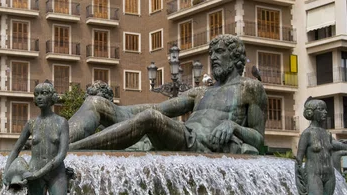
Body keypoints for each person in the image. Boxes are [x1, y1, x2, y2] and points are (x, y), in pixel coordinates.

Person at [67, 34, 267, 155]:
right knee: (97, 102)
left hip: (199, 146)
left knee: (151, 119)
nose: (213, 57)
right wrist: (113, 109)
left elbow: (258, 139)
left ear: (234, 57)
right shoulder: (201, 92)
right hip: (182, 137)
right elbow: (158, 108)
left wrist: (234, 127)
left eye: (219, 52)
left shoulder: (249, 88)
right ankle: (58, 141)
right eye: (211, 53)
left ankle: (72, 150)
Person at [3, 81, 71, 195]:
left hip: (55, 172)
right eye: (36, 94)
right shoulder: (31, 124)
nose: (39, 97)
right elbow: (15, 149)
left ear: (52, 97)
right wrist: (6, 172)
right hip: (33, 172)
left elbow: (62, 154)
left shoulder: (61, 123)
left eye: (43, 93)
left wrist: (41, 172)